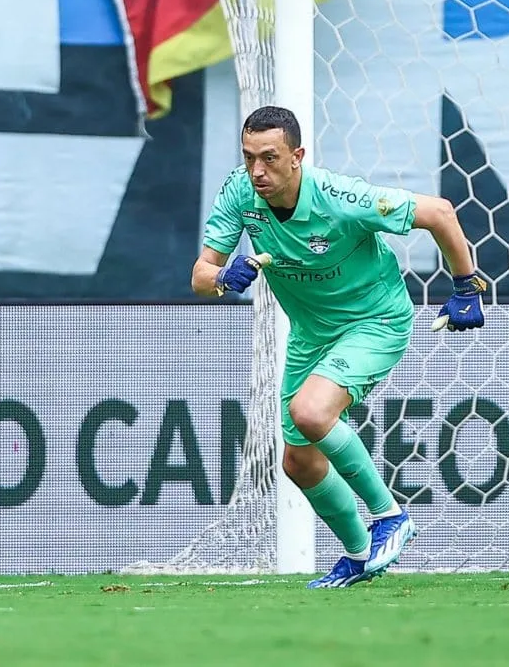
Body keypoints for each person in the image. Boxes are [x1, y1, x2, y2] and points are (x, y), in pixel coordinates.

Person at [192, 105, 486, 588]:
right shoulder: (240, 192)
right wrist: (224, 277)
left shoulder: (339, 196)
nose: (257, 171)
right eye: (249, 158)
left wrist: (465, 285)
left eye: (269, 158)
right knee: (298, 461)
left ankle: (389, 515)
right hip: (313, 334)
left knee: (311, 413)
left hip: (376, 320)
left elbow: (439, 212)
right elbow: (201, 276)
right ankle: (358, 556)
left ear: (297, 156)